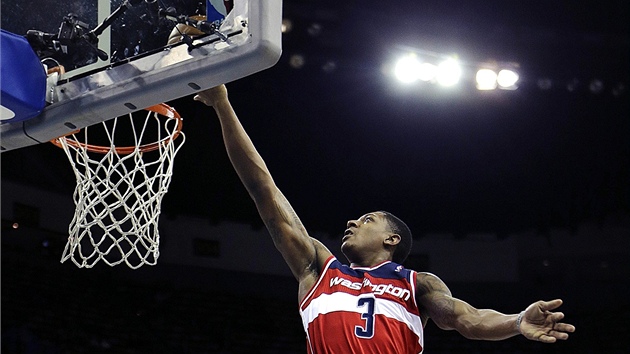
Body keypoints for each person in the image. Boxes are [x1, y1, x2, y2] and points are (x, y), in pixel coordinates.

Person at [194, 85, 576, 353]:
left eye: (367, 219)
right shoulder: (318, 270)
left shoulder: (416, 284)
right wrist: (223, 104)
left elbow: (467, 320)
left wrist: (515, 321)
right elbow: (263, 188)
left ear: (392, 239)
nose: (352, 222)